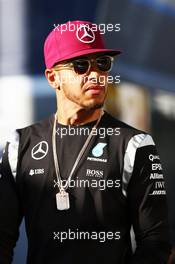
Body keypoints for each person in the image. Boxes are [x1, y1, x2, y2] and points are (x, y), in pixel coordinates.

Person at [0, 20, 171, 264]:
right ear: (52, 78)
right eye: (81, 66)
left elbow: (155, 241)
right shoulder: (19, 144)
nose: (96, 75)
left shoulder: (135, 144)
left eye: (103, 64)